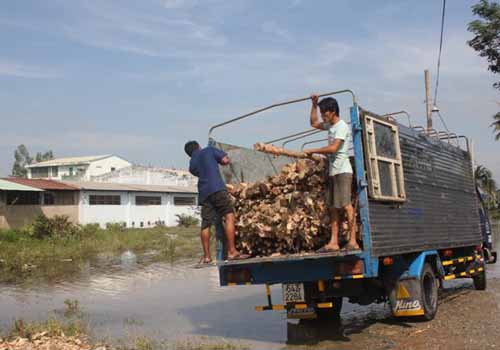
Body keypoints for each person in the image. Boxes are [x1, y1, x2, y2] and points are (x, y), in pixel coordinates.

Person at [303, 95, 360, 252]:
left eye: (324, 112)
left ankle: (353, 241)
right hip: (333, 171)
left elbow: (334, 148)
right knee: (333, 207)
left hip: (343, 171)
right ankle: (333, 242)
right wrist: (314, 104)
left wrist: (313, 150)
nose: (322, 116)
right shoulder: (330, 126)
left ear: (333, 111)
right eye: (321, 112)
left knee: (346, 205)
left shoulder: (341, 126)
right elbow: (313, 123)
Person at [185, 140, 249, 264]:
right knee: (229, 215)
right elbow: (225, 161)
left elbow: (198, 171)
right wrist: (220, 157)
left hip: (204, 193)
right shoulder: (209, 150)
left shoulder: (192, 164)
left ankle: (207, 256)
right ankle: (232, 251)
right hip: (217, 188)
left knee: (206, 224)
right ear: (199, 146)